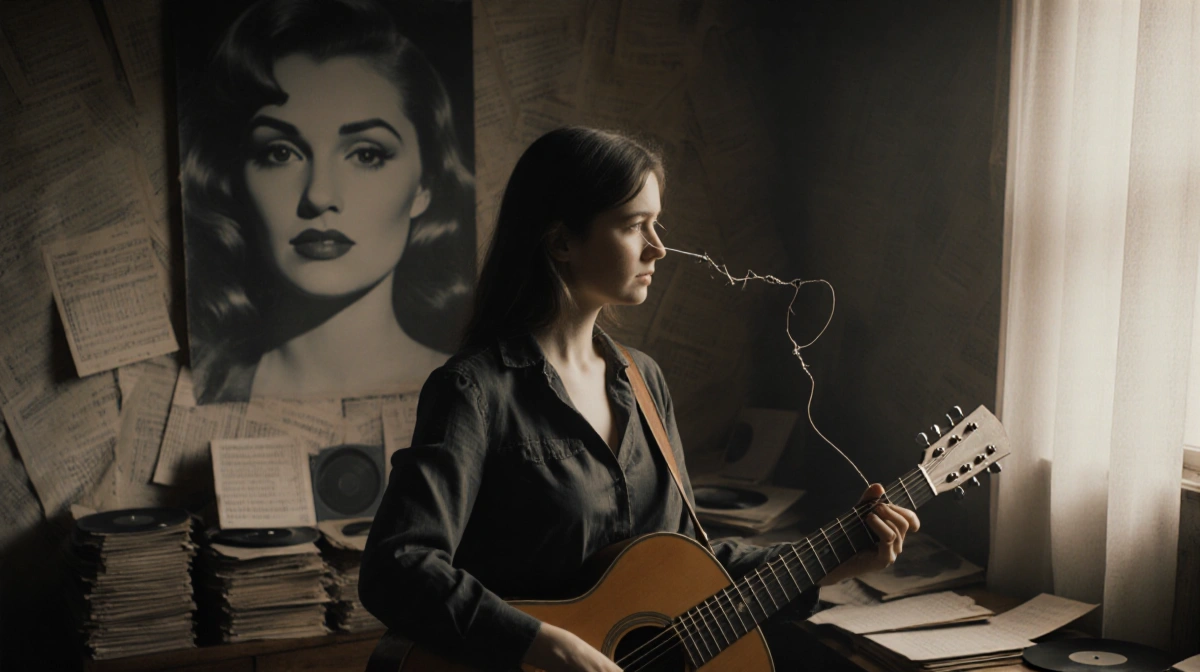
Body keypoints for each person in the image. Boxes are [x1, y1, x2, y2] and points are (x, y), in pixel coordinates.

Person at [359, 127, 920, 671]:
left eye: (657, 224)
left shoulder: (644, 381)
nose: (659, 247)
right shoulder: (474, 390)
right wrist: (544, 645)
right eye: (635, 226)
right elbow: (397, 567)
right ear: (561, 242)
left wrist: (835, 559)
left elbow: (685, 568)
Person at [179, 0, 475, 403]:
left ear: (425, 185)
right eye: (279, 153)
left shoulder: (474, 393)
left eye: (366, 154)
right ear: (237, 179)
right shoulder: (208, 389)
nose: (318, 196)